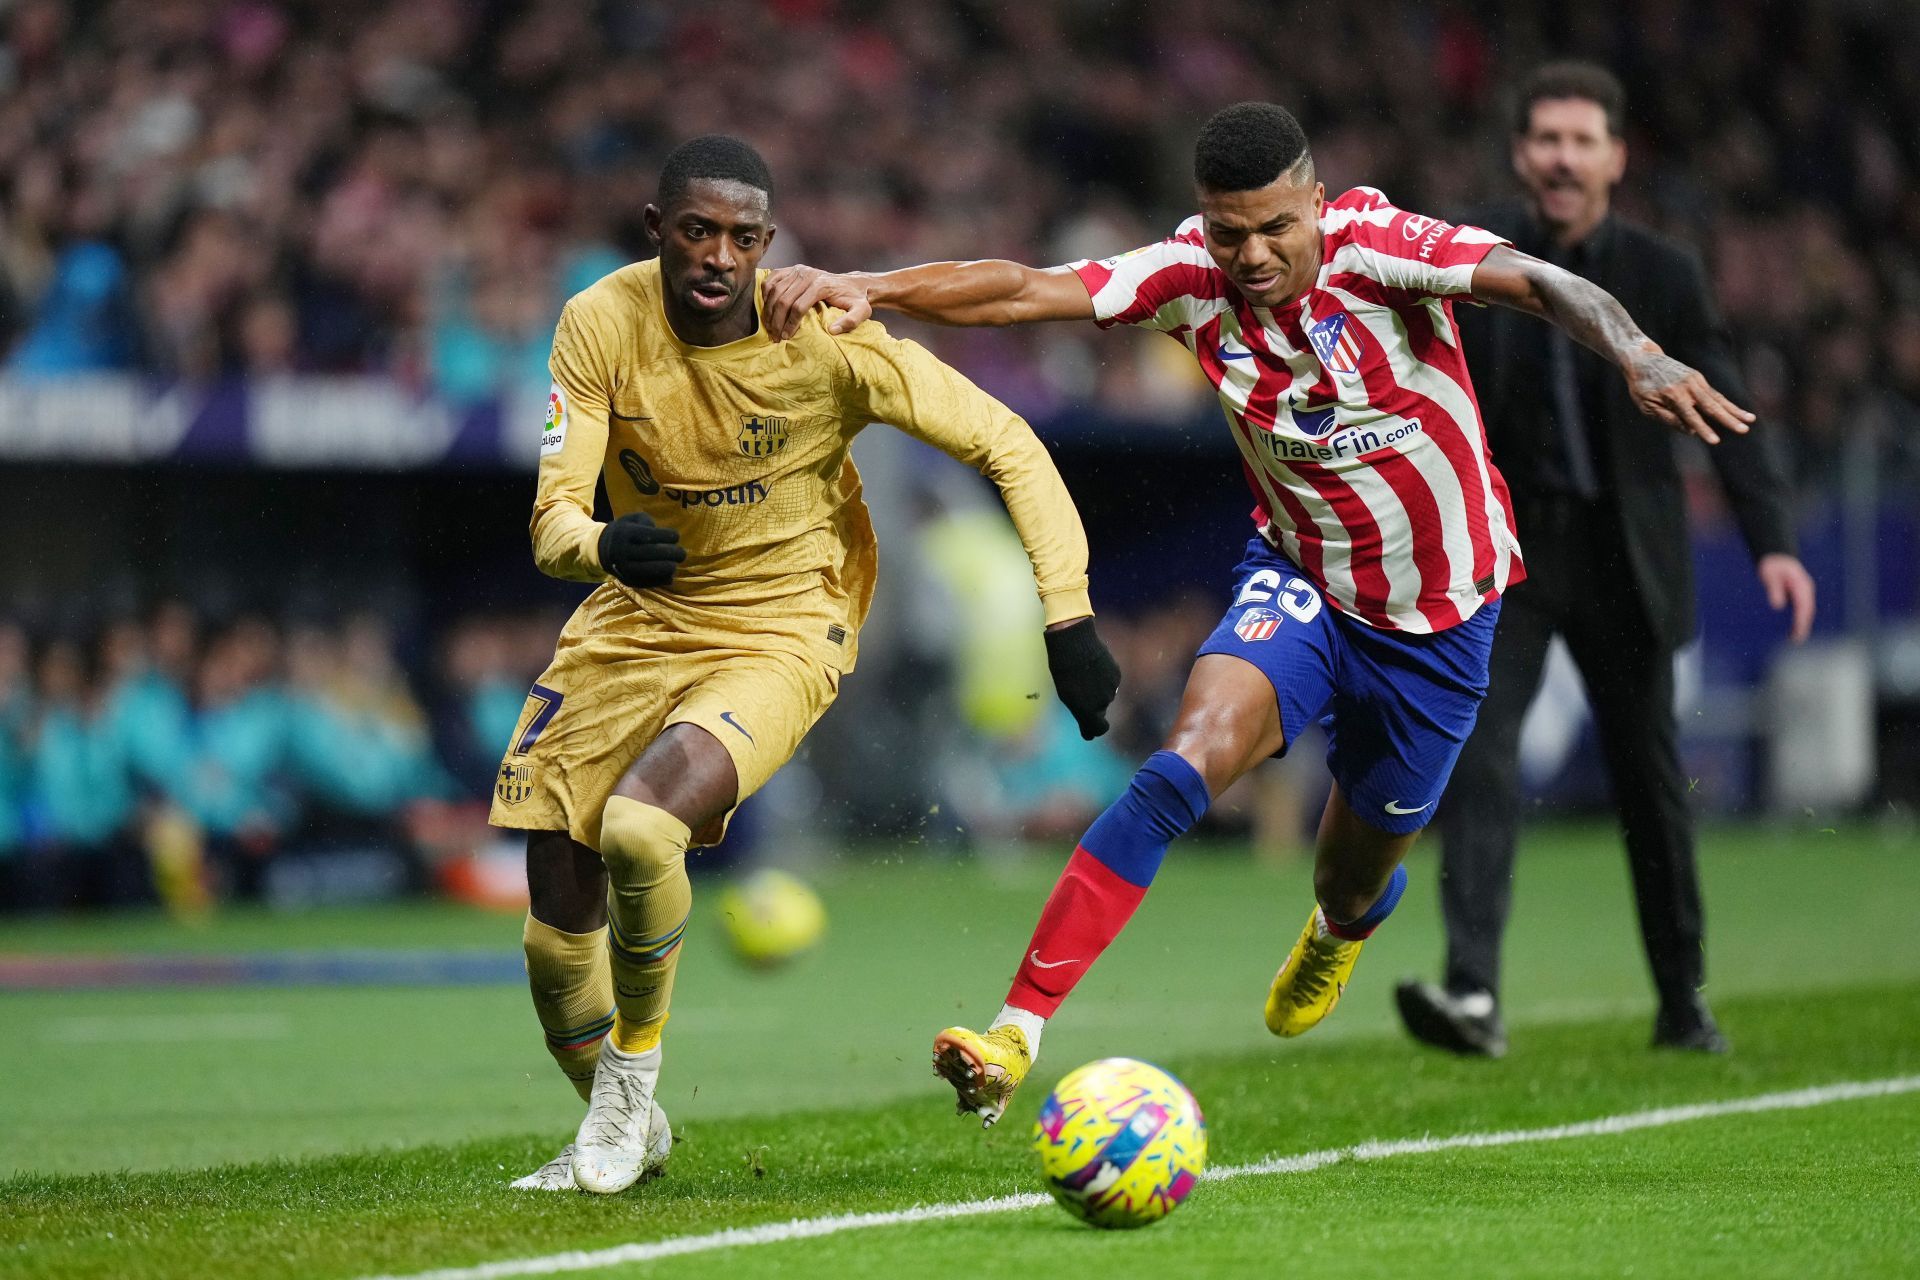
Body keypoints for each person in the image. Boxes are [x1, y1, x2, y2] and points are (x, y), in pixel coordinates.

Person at [763, 100, 1757, 1127]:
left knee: (1352, 875)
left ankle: (1339, 925)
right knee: (1184, 760)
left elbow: (1542, 282)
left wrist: (1635, 349)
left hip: (1440, 621)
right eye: (1229, 229)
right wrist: (869, 286)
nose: (1251, 253)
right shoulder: (1187, 272)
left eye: (1276, 227)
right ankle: (1016, 1030)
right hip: (1302, 579)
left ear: (1317, 204)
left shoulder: (1382, 248)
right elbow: (1024, 288)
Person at [489, 135, 1119, 1193]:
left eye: (742, 237)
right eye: (697, 230)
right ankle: (620, 1115)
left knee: (642, 827)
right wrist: (600, 545)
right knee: (557, 919)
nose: (718, 257)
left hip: (786, 624)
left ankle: (628, 1093)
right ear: (659, 232)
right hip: (634, 616)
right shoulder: (600, 321)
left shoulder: (828, 337)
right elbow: (553, 515)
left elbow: (1007, 441)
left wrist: (1069, 616)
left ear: (768, 244)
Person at [1393, 64, 1816, 1058]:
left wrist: (1776, 544)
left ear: (1617, 157)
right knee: (1481, 758)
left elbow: (1729, 408)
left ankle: (1682, 999)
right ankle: (1474, 995)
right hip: (1511, 552)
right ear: (1519, 153)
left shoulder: (1665, 273)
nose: (1563, 157)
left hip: (1626, 556)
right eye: (1546, 139)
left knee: (1648, 780)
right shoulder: (1477, 258)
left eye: (1583, 141)